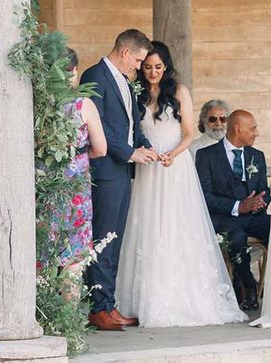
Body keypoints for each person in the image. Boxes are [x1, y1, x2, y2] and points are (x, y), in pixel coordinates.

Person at [116, 42, 246, 327]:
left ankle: (180, 297)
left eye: (158, 67)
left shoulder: (179, 91)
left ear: (167, 66)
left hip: (174, 165)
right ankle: (143, 299)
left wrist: (172, 155)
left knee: (176, 226)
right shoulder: (134, 92)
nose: (152, 72)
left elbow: (188, 133)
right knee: (147, 227)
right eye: (148, 67)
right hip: (148, 165)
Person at [80, 30, 159, 331]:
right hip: (105, 171)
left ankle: (107, 305)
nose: (139, 67)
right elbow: (96, 128)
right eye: (138, 60)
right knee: (103, 239)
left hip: (122, 172)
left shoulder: (124, 82)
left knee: (114, 241)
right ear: (125, 52)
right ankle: (98, 309)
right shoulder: (95, 76)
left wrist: (146, 147)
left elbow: (129, 126)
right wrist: (129, 152)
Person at [196, 109, 271, 311]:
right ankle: (248, 286)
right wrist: (238, 206)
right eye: (253, 128)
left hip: (254, 217)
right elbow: (204, 196)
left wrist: (259, 202)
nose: (257, 133)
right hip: (223, 217)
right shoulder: (206, 156)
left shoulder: (257, 156)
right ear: (238, 129)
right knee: (236, 236)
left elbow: (265, 190)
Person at [49, 48, 107, 296]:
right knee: (74, 252)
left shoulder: (37, 104)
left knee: (44, 248)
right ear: (74, 72)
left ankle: (42, 314)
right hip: (75, 186)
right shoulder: (83, 104)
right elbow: (102, 148)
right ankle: (67, 321)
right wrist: (79, 156)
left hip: (44, 184)